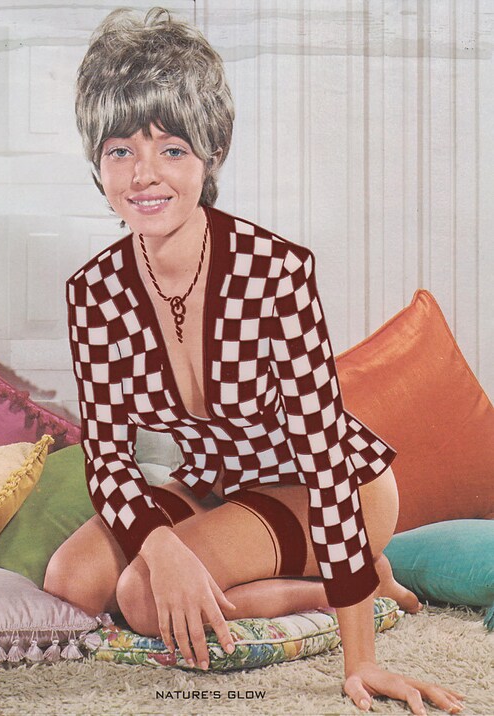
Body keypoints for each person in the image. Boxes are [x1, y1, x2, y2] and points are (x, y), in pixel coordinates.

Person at [44, 8, 463, 714]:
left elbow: (325, 456)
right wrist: (163, 545)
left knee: (141, 598)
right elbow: (109, 459)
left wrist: (361, 662)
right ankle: (331, 580)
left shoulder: (275, 273)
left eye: (171, 148)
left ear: (211, 153)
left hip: (330, 488)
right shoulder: (94, 291)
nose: (144, 175)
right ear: (96, 161)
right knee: (71, 580)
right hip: (220, 482)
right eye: (120, 150)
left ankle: (351, 588)